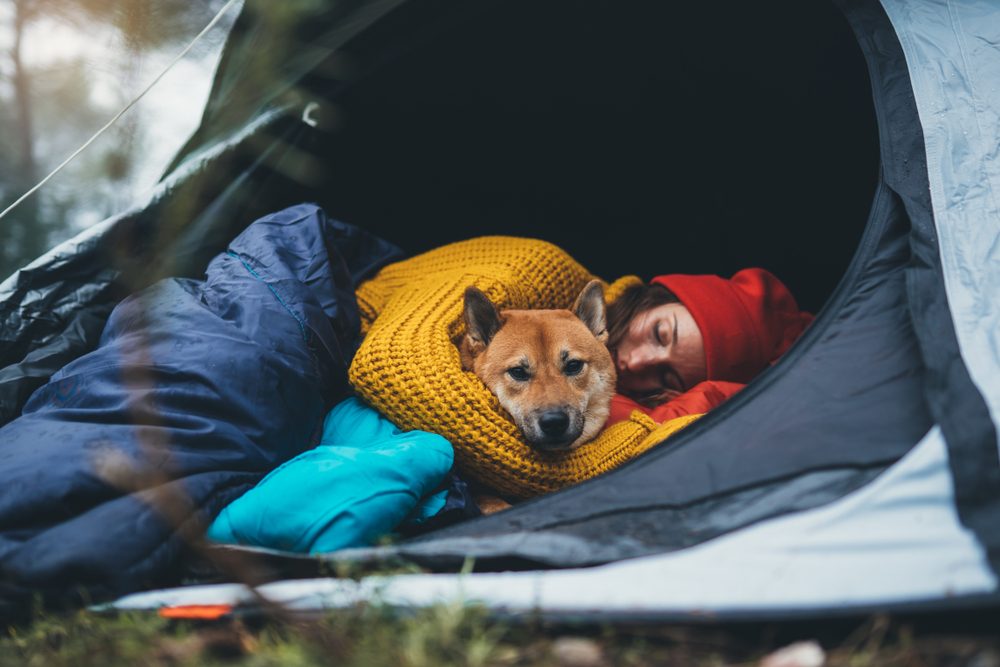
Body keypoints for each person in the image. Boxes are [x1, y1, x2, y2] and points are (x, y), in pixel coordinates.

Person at [604, 268, 814, 426]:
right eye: (659, 334)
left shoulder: (638, 421)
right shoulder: (576, 290)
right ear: (652, 301)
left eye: (666, 378)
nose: (635, 362)